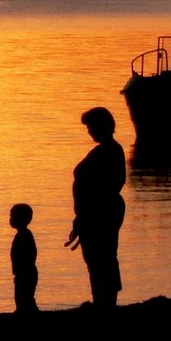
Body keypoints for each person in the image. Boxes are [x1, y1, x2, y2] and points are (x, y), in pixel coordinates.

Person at [65, 106, 126, 309]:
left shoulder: (111, 151)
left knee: (103, 256)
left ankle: (106, 303)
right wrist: (81, 217)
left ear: (102, 126)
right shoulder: (103, 150)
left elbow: (112, 184)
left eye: (91, 126)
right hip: (92, 213)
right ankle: (101, 300)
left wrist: (88, 214)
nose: (89, 131)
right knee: (95, 258)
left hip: (102, 213)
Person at [9, 203, 39, 314]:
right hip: (22, 273)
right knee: (22, 299)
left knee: (25, 298)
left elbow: (31, 253)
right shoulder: (22, 234)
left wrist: (23, 269)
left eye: (12, 216)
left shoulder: (25, 235)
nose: (10, 219)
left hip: (26, 273)